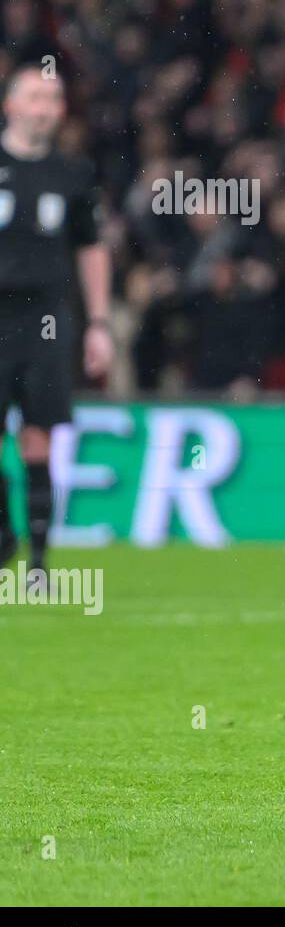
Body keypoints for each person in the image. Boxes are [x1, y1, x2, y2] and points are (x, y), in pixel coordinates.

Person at [0, 67, 112, 585]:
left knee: (38, 437)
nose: (45, 107)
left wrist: (99, 323)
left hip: (46, 318)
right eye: (35, 97)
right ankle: (5, 536)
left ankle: (39, 564)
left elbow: (91, 249)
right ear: (11, 106)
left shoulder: (73, 174)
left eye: (53, 98)